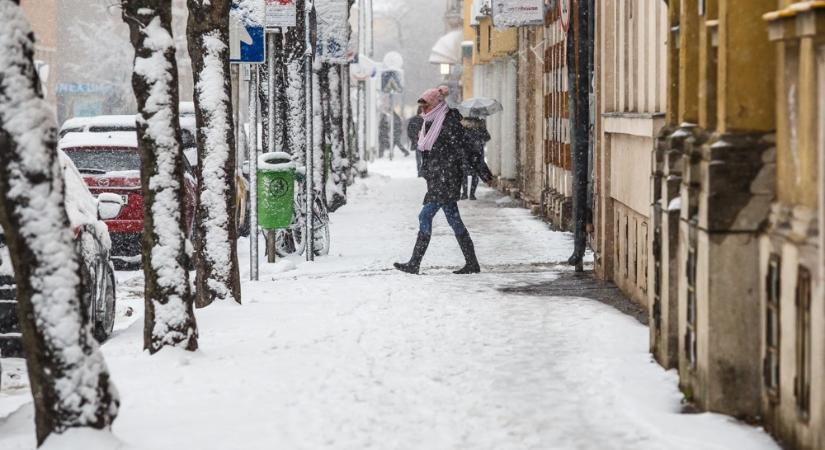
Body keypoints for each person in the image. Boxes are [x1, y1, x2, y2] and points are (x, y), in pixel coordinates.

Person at [394, 87, 491, 275]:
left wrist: (483, 172)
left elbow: (468, 149)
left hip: (446, 178)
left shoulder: (449, 122)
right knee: (454, 220)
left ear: (436, 104)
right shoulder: (430, 123)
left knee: (425, 216)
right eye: (421, 107)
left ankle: (415, 262)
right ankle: (472, 263)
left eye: (426, 106)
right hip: (438, 178)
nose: (423, 110)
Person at [460, 117, 491, 200]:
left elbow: (459, 139)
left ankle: (465, 194)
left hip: (466, 153)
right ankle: (472, 194)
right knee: (475, 174)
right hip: (477, 152)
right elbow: (487, 137)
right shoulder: (480, 126)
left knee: (464, 174)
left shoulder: (463, 126)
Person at [407, 105, 425, 177]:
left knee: (420, 158)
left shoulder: (426, 119)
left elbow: (409, 130)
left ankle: (421, 171)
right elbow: (410, 130)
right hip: (419, 141)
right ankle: (421, 171)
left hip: (421, 141)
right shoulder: (417, 119)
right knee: (421, 158)